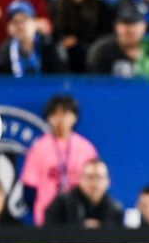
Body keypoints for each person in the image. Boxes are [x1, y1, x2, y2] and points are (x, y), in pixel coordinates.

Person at [20, 95, 98, 226]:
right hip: (46, 218)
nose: (61, 119)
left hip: (80, 217)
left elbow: (95, 187)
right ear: (48, 118)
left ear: (74, 117)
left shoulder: (86, 148)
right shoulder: (39, 148)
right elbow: (29, 189)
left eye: (66, 114)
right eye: (56, 114)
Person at [51, 0, 113, 73]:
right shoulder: (53, 8)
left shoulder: (102, 8)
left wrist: (78, 42)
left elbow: (105, 36)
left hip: (92, 59)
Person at [44, 159, 123, 228]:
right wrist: (79, 228)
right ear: (80, 179)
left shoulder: (115, 210)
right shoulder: (62, 204)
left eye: (99, 178)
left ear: (108, 181)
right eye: (90, 177)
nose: (94, 183)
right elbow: (49, 232)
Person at [0, 0, 65, 76]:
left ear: (35, 22)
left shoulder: (49, 45)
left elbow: (61, 76)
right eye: (15, 22)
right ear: (9, 27)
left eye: (24, 20)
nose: (20, 26)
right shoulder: (6, 50)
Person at [86, 6, 149, 77]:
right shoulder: (101, 50)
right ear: (116, 26)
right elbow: (95, 84)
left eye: (134, 23)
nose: (129, 29)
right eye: (125, 23)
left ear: (144, 26)